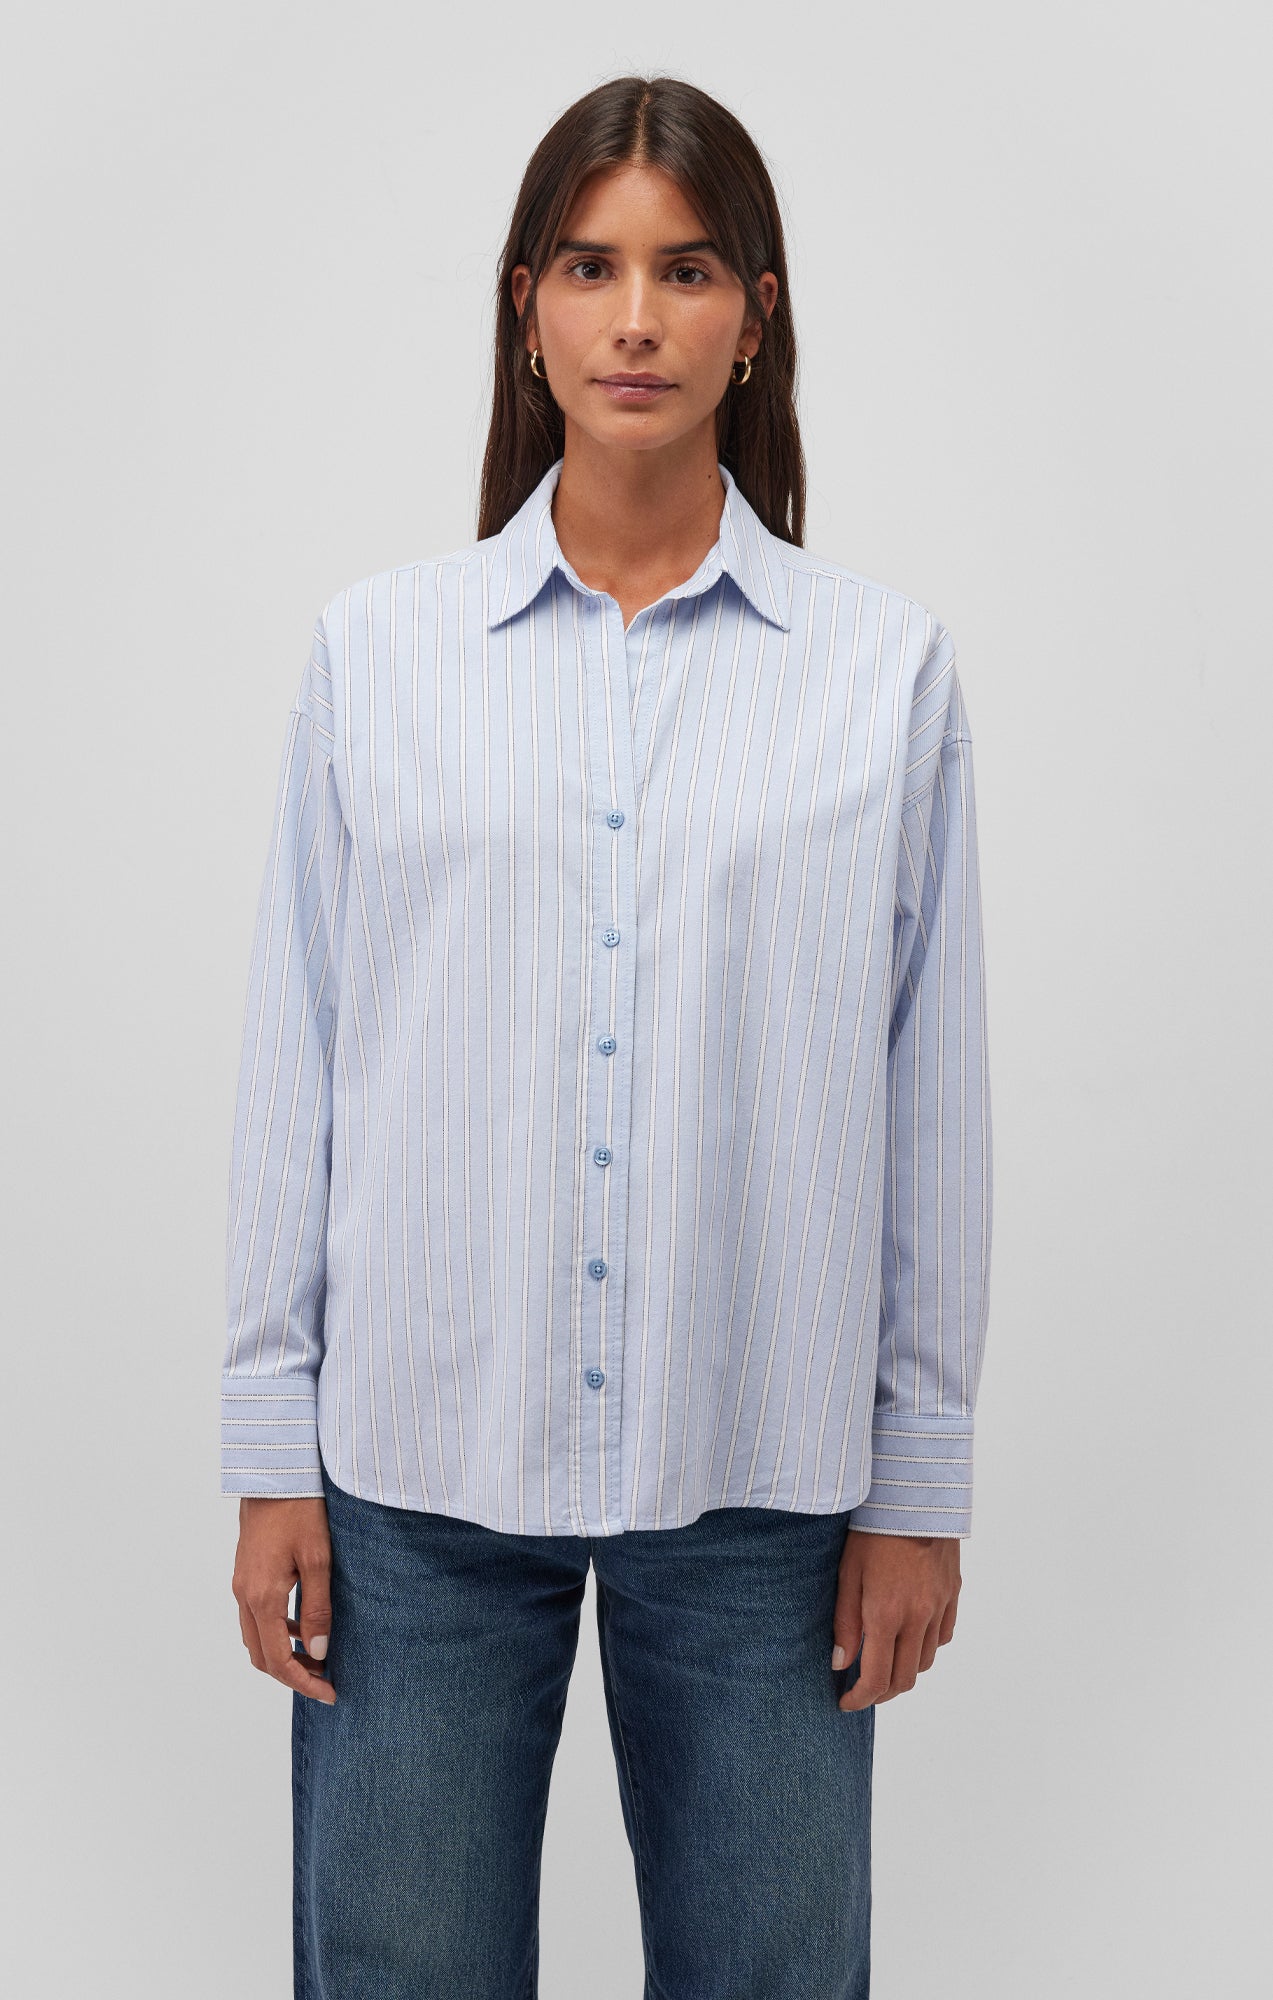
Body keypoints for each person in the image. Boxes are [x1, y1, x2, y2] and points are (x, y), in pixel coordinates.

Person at [221, 72, 993, 2000]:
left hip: (762, 1478)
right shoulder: (376, 656)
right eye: (588, 268)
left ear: (755, 316)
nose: (635, 319)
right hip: (415, 1470)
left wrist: (917, 1484)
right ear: (525, 309)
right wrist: (268, 1445)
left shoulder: (880, 675)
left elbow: (927, 1099)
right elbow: (297, 1061)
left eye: (685, 270)